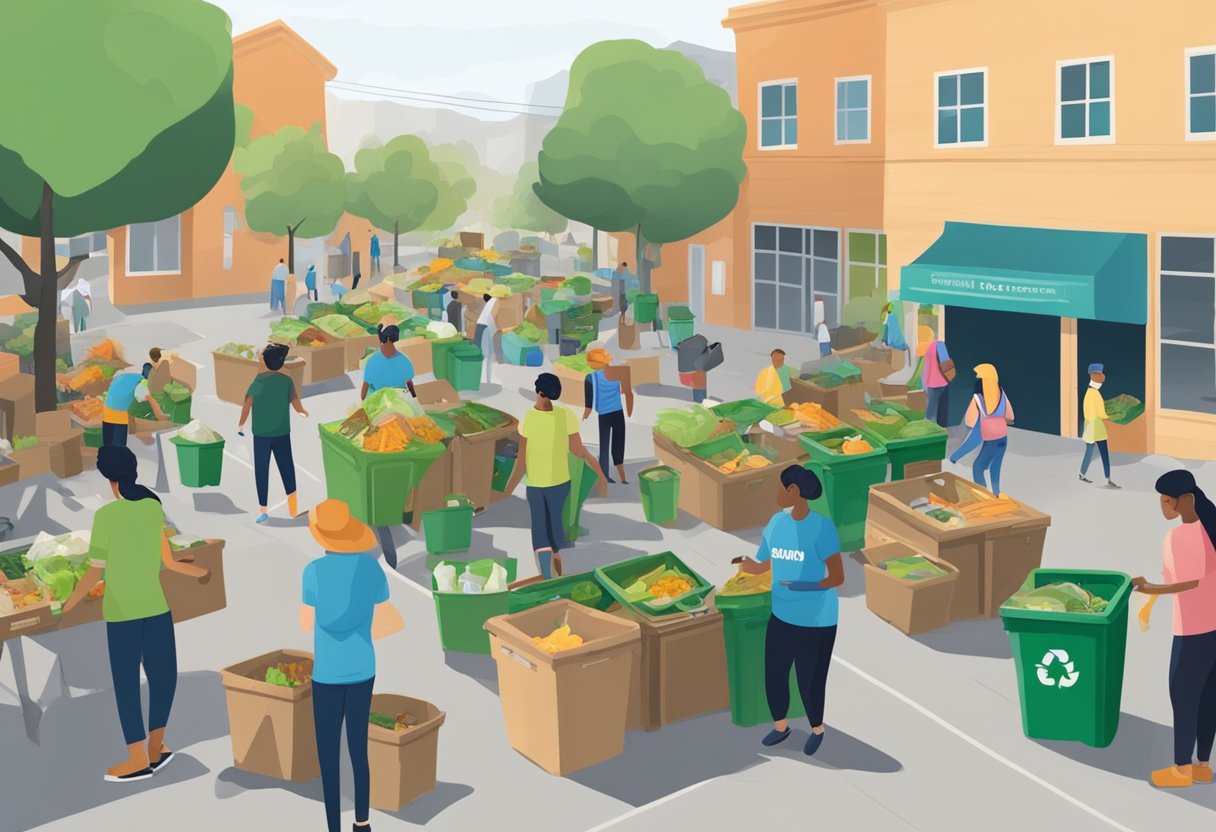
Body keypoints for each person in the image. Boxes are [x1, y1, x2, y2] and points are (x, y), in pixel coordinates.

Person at [63, 446, 209, 782]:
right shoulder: (152, 507)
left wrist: (68, 605)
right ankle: (157, 748)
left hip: (122, 613)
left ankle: (136, 759)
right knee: (163, 678)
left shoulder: (106, 517)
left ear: (109, 480)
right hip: (156, 608)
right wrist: (200, 572)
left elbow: (93, 573)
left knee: (127, 685)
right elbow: (168, 562)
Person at [300, 499, 405, 832]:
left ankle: (333, 826)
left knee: (328, 755)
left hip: (326, 672)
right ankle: (362, 822)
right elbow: (387, 618)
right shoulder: (369, 569)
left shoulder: (313, 572)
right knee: (358, 748)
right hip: (362, 668)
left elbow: (305, 623)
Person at [736, 466, 843, 756]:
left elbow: (836, 577)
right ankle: (781, 726)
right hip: (782, 615)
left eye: (781, 488)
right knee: (775, 674)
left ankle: (817, 729)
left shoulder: (822, 527)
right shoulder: (775, 523)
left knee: (810, 680)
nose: (777, 493)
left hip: (816, 621)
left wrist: (803, 586)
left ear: (794, 491)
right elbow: (764, 562)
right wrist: (748, 566)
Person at [1133, 470, 1216, 789]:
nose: (1162, 506)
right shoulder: (1211, 529)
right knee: (1209, 697)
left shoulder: (1181, 537)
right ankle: (1203, 766)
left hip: (1193, 630)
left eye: (1166, 500)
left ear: (1184, 501)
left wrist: (1148, 588)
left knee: (1184, 697)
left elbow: (1186, 583)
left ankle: (1181, 770)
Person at [504, 373, 607, 579]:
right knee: (554, 532)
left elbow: (521, 462)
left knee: (540, 533)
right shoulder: (565, 415)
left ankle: (548, 577)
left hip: (536, 485)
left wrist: (508, 489)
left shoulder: (528, 420)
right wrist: (600, 474)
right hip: (561, 483)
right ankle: (558, 573)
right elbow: (579, 451)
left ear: (539, 392)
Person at [239, 344, 308, 525]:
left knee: (262, 470)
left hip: (261, 435)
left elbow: (247, 406)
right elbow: (294, 400)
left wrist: (240, 425)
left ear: (264, 361)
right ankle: (293, 508)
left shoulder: (258, 383)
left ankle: (263, 510)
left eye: (260, 355)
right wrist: (302, 411)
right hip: (282, 431)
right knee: (287, 466)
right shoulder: (286, 381)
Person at [959, 363, 1014, 495]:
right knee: (995, 467)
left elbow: (969, 421)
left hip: (991, 440)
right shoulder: (1001, 394)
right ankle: (996, 492)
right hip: (1003, 438)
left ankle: (982, 493)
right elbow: (1010, 416)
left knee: (978, 467)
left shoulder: (978, 399)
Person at [583, 348, 633, 485]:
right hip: (617, 412)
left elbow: (588, 402)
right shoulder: (620, 372)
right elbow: (628, 393)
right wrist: (629, 409)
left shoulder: (590, 377)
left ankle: (606, 475)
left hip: (604, 415)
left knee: (604, 445)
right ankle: (621, 477)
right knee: (618, 444)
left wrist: (586, 414)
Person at [101, 363, 166, 447]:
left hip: (109, 408)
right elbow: (160, 415)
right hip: (122, 414)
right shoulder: (146, 388)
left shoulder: (134, 377)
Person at [1080, 362, 1120, 489]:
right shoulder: (1095, 394)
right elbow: (1101, 413)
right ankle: (1107, 478)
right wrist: (1110, 416)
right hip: (1096, 428)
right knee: (1103, 453)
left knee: (1089, 452)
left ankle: (1082, 474)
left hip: (1090, 427)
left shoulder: (1088, 393)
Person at [361, 323, 416, 400]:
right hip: (399, 399)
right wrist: (414, 397)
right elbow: (410, 384)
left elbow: (365, 388)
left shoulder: (372, 361)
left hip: (379, 400)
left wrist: (364, 403)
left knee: (370, 387)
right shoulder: (405, 361)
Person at [920, 327, 955, 428]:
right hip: (941, 381)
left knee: (932, 406)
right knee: (936, 408)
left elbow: (925, 368)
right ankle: (931, 427)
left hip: (930, 382)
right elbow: (946, 361)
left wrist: (924, 384)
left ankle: (929, 425)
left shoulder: (927, 348)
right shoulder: (940, 345)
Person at [475, 293, 499, 385]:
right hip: (486, 328)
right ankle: (486, 380)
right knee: (487, 355)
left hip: (480, 325)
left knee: (479, 353)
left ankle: (481, 379)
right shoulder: (496, 301)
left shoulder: (490, 302)